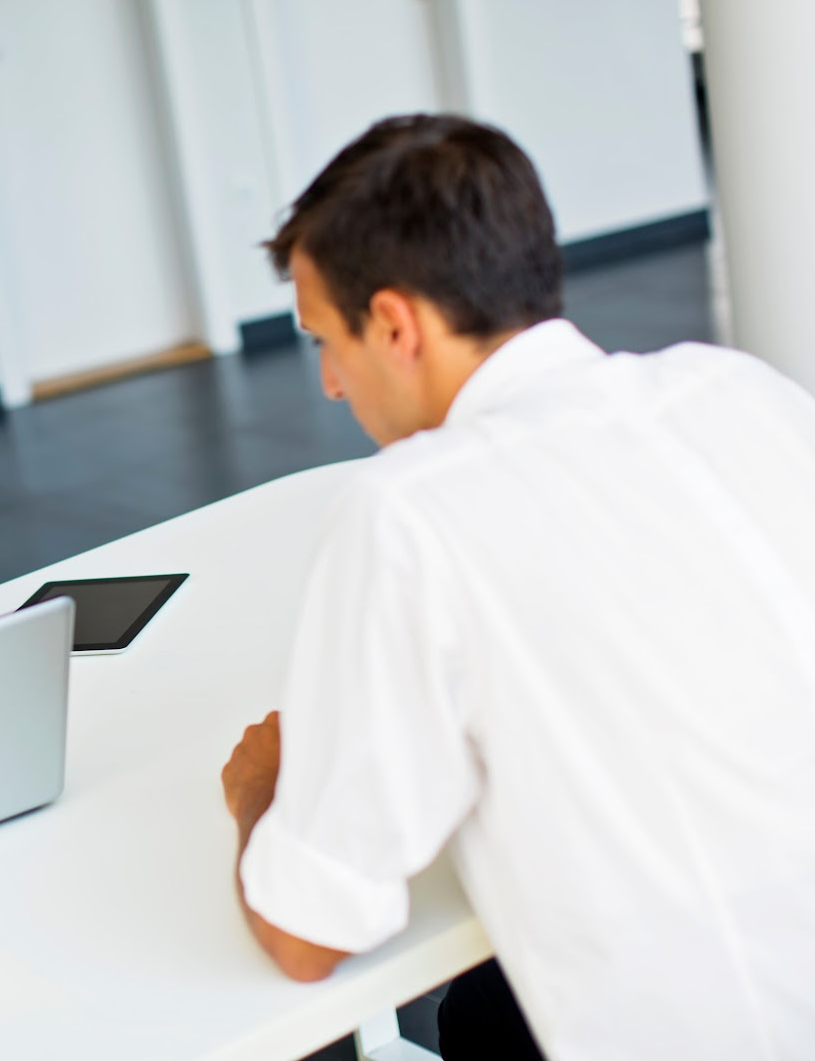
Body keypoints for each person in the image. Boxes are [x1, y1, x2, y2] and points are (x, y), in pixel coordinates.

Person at [219, 114, 815, 1059]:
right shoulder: (737, 388)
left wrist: (262, 791)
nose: (332, 384)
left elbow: (306, 935)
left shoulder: (406, 513)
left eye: (326, 340)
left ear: (394, 325)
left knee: (479, 1014)